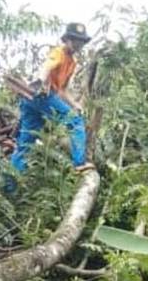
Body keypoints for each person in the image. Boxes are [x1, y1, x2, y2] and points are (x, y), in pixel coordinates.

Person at [7, 22, 94, 181]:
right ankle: (79, 163)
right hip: (41, 95)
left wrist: (75, 105)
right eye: (74, 40)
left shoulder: (72, 63)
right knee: (75, 122)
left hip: (33, 100)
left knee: (27, 142)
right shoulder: (58, 53)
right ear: (67, 39)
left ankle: (8, 184)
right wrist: (40, 81)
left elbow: (62, 90)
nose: (77, 44)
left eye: (80, 41)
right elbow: (48, 66)